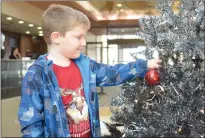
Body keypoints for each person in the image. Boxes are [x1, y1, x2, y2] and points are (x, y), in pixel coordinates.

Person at [18, 4, 161, 138]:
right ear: (57, 37)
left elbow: (112, 74)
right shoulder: (37, 74)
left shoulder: (86, 65)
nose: (84, 42)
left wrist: (144, 65)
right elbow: (31, 124)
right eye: (78, 37)